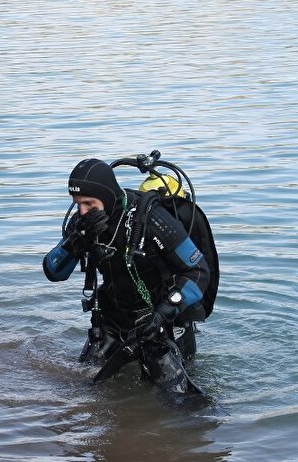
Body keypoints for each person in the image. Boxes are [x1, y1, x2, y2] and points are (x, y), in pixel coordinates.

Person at [43, 158, 211, 394]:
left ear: (108, 196)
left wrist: (163, 314)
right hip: (112, 323)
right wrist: (75, 242)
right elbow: (53, 272)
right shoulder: (83, 224)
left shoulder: (151, 218)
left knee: (180, 402)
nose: (82, 211)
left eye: (89, 203)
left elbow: (198, 271)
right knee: (82, 388)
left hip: (160, 322)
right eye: (77, 204)